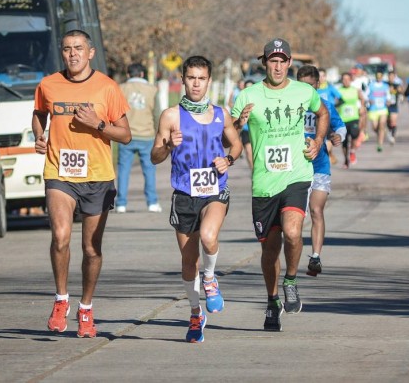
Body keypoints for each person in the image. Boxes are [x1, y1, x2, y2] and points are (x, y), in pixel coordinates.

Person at [33, 29, 131, 338]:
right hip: (60, 173)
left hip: (98, 176)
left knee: (91, 249)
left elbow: (125, 134)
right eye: (66, 49)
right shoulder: (48, 85)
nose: (72, 54)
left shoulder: (107, 88)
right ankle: (61, 300)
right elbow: (38, 114)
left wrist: (98, 124)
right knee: (60, 236)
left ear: (90, 52)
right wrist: (39, 134)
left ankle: (86, 307)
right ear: (61, 53)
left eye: (78, 48)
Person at [231, 38, 329, 332]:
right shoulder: (247, 95)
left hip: (296, 175)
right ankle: (272, 301)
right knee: (270, 251)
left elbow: (322, 113)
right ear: (265, 63)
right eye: (272, 60)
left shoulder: (304, 91)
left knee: (293, 231)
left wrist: (319, 141)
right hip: (263, 183)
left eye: (282, 60)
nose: (277, 66)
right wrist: (238, 125)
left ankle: (291, 281)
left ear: (289, 64)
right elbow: (229, 136)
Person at [150, 55, 242, 343]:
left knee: (208, 236)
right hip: (185, 193)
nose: (196, 84)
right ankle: (194, 313)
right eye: (191, 78)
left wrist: (228, 159)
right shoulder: (171, 116)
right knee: (189, 262)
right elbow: (155, 157)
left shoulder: (220, 114)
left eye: (201, 78)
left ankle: (211, 279)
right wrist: (167, 145)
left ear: (209, 81)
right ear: (183, 80)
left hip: (215, 189)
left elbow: (236, 144)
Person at [296, 65, 346, 276]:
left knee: (316, 210)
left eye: (310, 85)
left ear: (317, 85)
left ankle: (315, 257)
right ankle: (292, 259)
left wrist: (337, 137)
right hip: (295, 167)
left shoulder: (324, 106)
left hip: (319, 166)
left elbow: (340, 126)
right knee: (296, 217)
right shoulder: (291, 105)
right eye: (301, 85)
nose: (306, 89)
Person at [116, 63, 161, 213]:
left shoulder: (121, 89)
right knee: (149, 171)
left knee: (123, 170)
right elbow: (156, 114)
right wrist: (158, 134)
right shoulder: (152, 90)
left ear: (128, 75)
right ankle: (152, 202)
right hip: (146, 135)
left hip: (126, 135)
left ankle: (121, 203)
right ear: (142, 74)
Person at [338, 71, 365, 168]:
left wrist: (362, 107)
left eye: (347, 79)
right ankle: (346, 160)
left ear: (351, 80)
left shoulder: (355, 90)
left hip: (354, 117)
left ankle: (352, 151)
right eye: (344, 79)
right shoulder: (338, 90)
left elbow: (362, 99)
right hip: (342, 119)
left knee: (354, 134)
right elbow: (335, 102)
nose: (345, 81)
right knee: (344, 141)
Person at [366, 70, 391, 152]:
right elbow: (365, 95)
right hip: (373, 109)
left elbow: (388, 96)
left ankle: (380, 144)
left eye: (381, 76)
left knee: (382, 124)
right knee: (375, 127)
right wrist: (369, 100)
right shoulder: (371, 85)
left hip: (383, 109)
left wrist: (388, 101)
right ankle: (381, 133)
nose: (379, 78)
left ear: (382, 77)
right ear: (376, 77)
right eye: (378, 76)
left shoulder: (385, 86)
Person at [386, 70, 403, 145]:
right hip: (385, 106)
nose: (391, 78)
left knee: (393, 121)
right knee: (388, 121)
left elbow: (402, 92)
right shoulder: (385, 84)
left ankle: (392, 135)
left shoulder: (397, 85)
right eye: (390, 76)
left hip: (394, 105)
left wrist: (400, 91)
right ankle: (389, 131)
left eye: (393, 76)